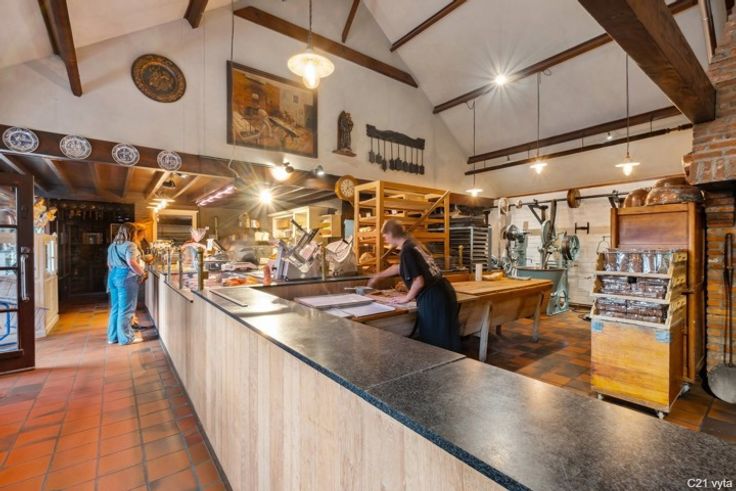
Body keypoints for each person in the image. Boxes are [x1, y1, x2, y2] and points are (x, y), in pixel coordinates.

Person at [367, 219, 461, 351]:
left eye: (385, 236)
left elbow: (419, 281)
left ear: (391, 234)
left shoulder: (407, 251)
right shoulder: (414, 244)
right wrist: (378, 276)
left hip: (433, 297)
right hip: (444, 291)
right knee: (447, 336)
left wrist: (406, 298)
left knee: (436, 343)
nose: (385, 239)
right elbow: (399, 267)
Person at [107, 222, 146, 345]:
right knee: (126, 309)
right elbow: (131, 262)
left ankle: (112, 337)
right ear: (132, 232)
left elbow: (109, 265)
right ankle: (126, 338)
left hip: (112, 276)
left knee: (116, 308)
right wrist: (142, 273)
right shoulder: (130, 245)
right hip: (126, 277)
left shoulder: (112, 245)